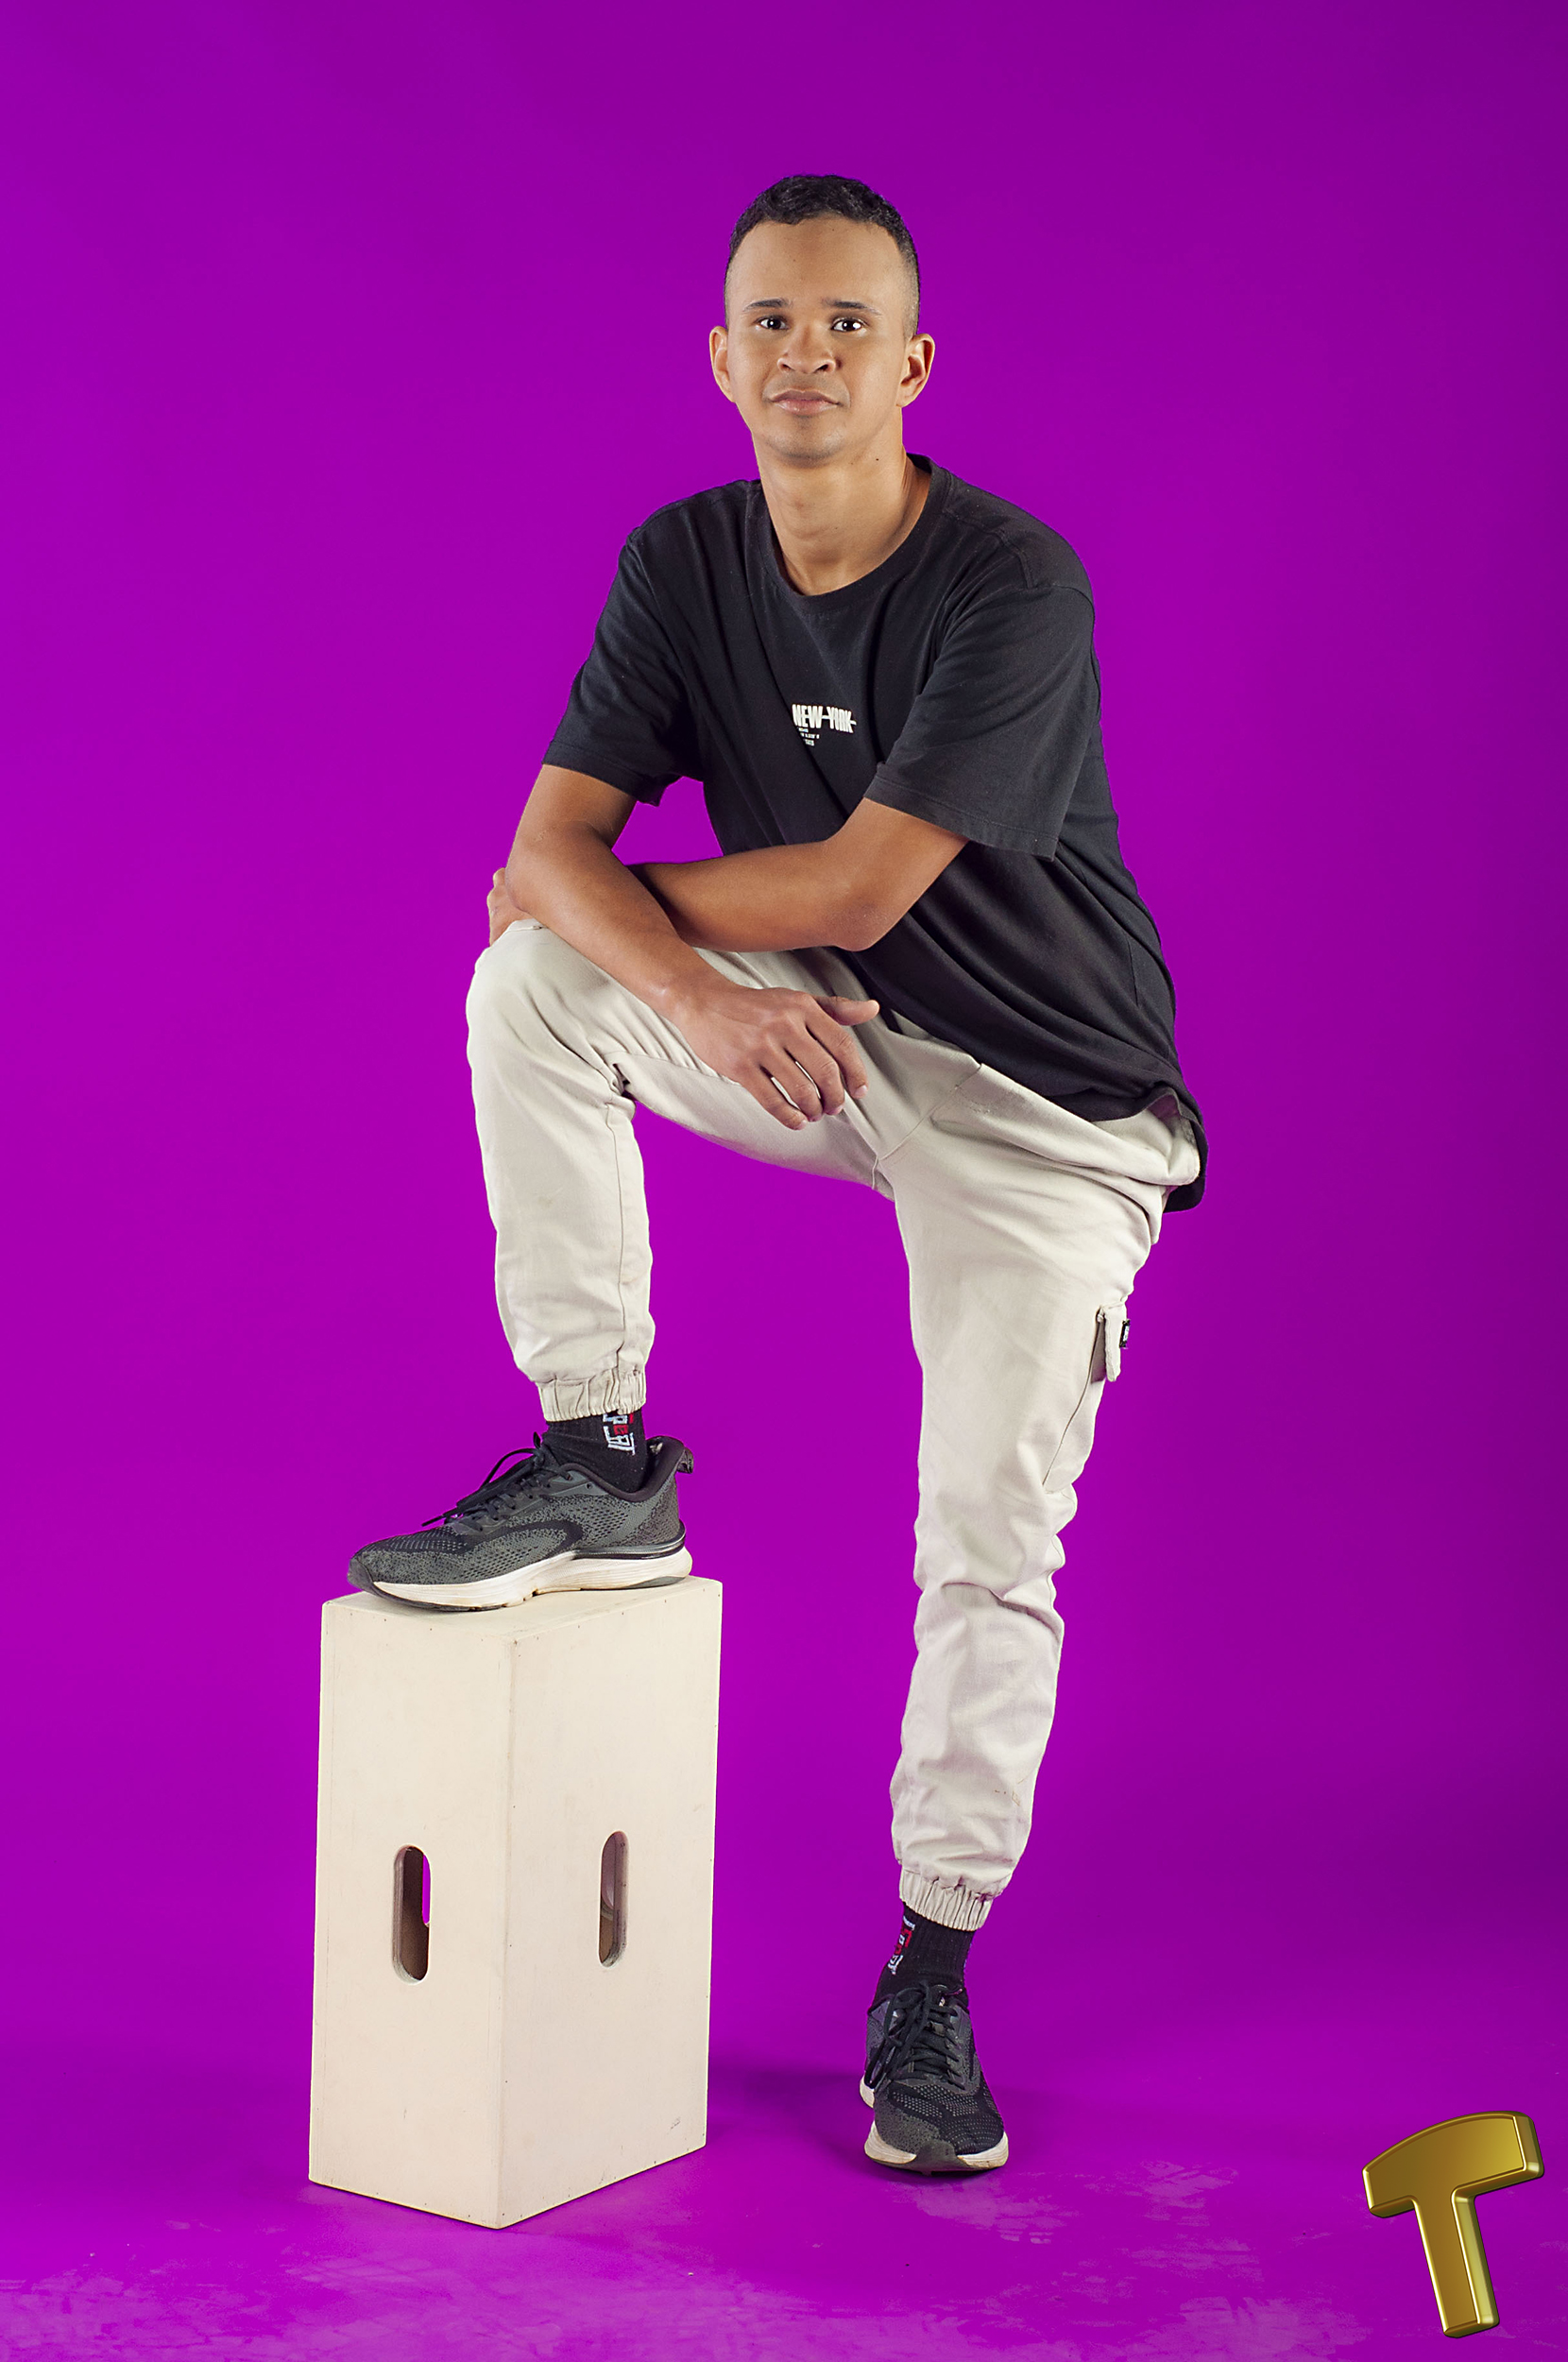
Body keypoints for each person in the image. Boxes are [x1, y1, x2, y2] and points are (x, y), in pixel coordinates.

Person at [349, 173, 1205, 2177]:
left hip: (1049, 1113)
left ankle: (931, 1968)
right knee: (528, 984)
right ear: (721, 358)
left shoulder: (1011, 582)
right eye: (770, 320)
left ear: (909, 365)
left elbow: (853, 884)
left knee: (985, 1539)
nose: (804, 353)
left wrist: (605, 903)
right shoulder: (681, 559)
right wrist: (680, 988)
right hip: (832, 1037)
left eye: (844, 324)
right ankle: (597, 1447)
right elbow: (538, 862)